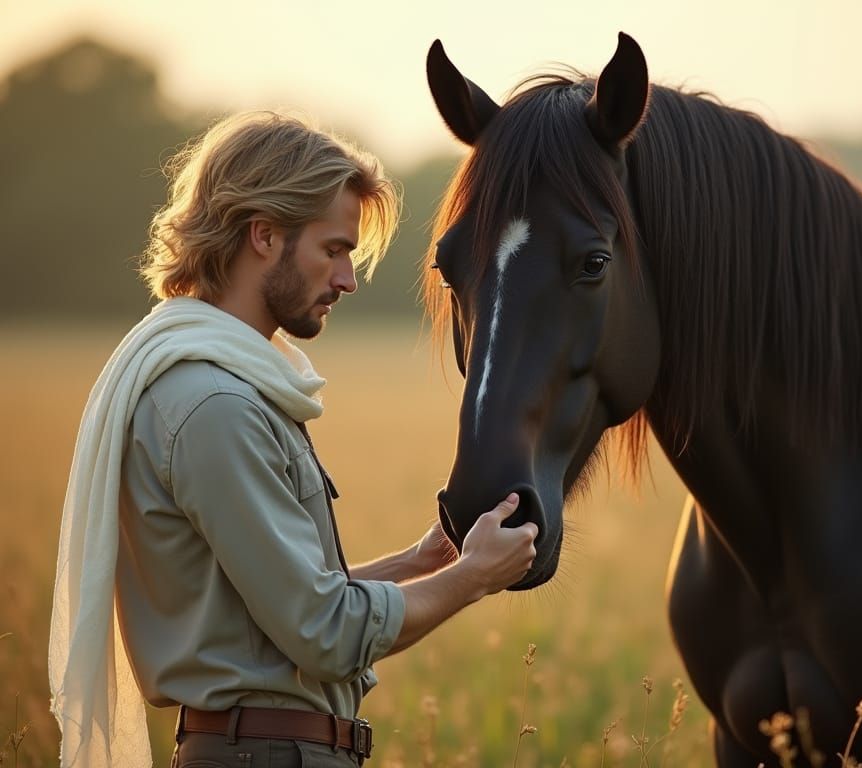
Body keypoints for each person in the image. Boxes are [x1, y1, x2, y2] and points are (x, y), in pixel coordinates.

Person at [48, 111, 538, 768]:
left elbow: (275, 611)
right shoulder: (214, 406)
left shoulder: (227, 388)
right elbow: (324, 631)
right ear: (263, 235)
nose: (347, 280)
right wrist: (472, 578)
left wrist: (423, 562)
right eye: (334, 250)